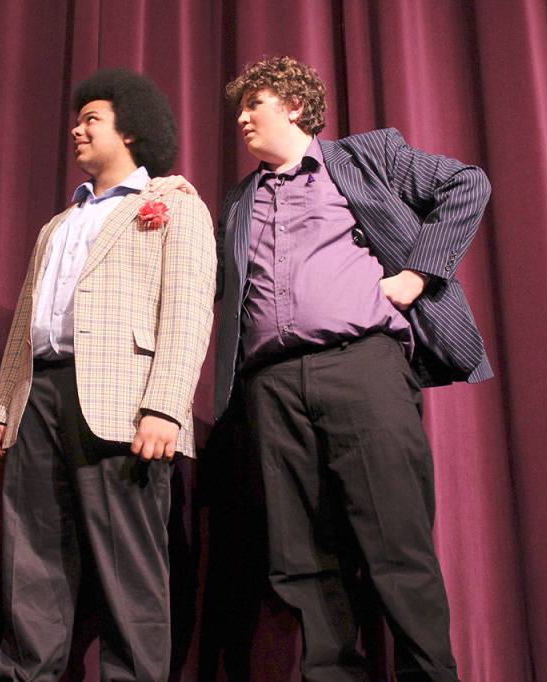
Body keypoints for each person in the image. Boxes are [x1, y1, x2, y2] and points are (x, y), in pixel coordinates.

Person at [214, 56, 491, 681]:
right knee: (299, 558)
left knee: (396, 543)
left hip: (361, 366)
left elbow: (467, 183)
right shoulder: (237, 201)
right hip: (271, 386)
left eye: (254, 104)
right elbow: (212, 282)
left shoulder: (367, 158)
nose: (242, 119)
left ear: (293, 106)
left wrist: (419, 273)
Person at [0, 68, 216, 681]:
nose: (77, 130)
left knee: (129, 566)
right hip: (41, 396)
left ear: (130, 130)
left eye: (92, 119)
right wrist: (4, 406)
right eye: (78, 119)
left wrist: (165, 406)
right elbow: (28, 318)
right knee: (31, 560)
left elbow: (188, 310)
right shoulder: (58, 224)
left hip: (123, 402)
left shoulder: (174, 205)